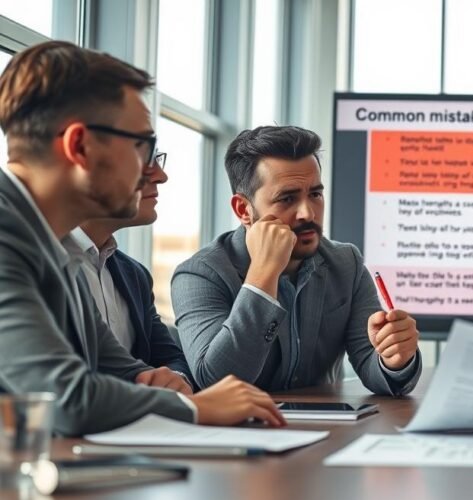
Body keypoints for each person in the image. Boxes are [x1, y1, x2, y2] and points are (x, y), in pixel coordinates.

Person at [0, 41, 284, 435]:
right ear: (79, 146)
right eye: (141, 146)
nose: (159, 173)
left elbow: (116, 365)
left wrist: (163, 384)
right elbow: (64, 399)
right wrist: (193, 407)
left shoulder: (48, 240)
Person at [171, 125, 421, 394]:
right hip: (237, 431)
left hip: (328, 429)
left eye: (315, 194)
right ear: (244, 210)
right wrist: (263, 275)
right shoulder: (199, 275)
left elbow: (371, 365)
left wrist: (394, 359)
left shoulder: (346, 263)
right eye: (287, 198)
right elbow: (216, 382)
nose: (307, 213)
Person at [63, 150, 194, 387]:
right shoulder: (39, 262)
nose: (161, 176)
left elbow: (170, 358)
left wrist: (175, 382)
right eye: (144, 157)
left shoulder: (135, 274)